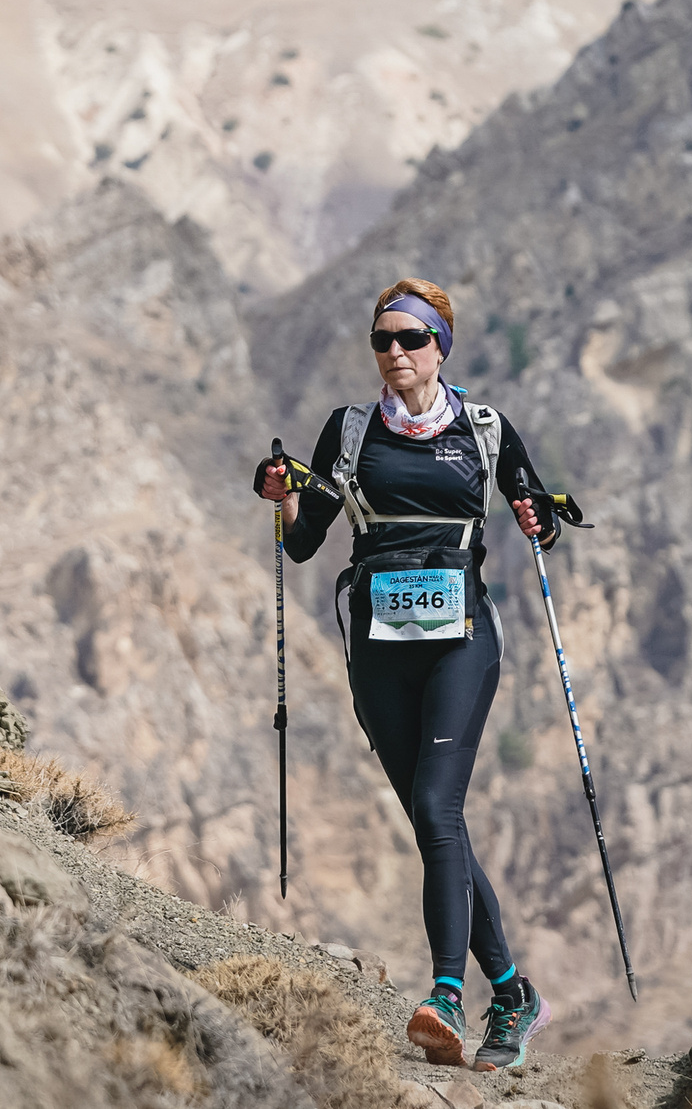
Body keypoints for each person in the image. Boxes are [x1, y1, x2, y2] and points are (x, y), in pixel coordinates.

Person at [254, 277, 558, 1071]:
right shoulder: (349, 432)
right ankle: (515, 995)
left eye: (409, 339)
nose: (393, 352)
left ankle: (448, 995)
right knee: (436, 824)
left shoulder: (485, 428)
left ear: (439, 347)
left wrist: (541, 515)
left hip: (461, 639)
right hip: (379, 647)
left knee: (434, 805)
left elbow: (538, 512)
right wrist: (283, 497)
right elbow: (303, 541)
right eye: (381, 340)